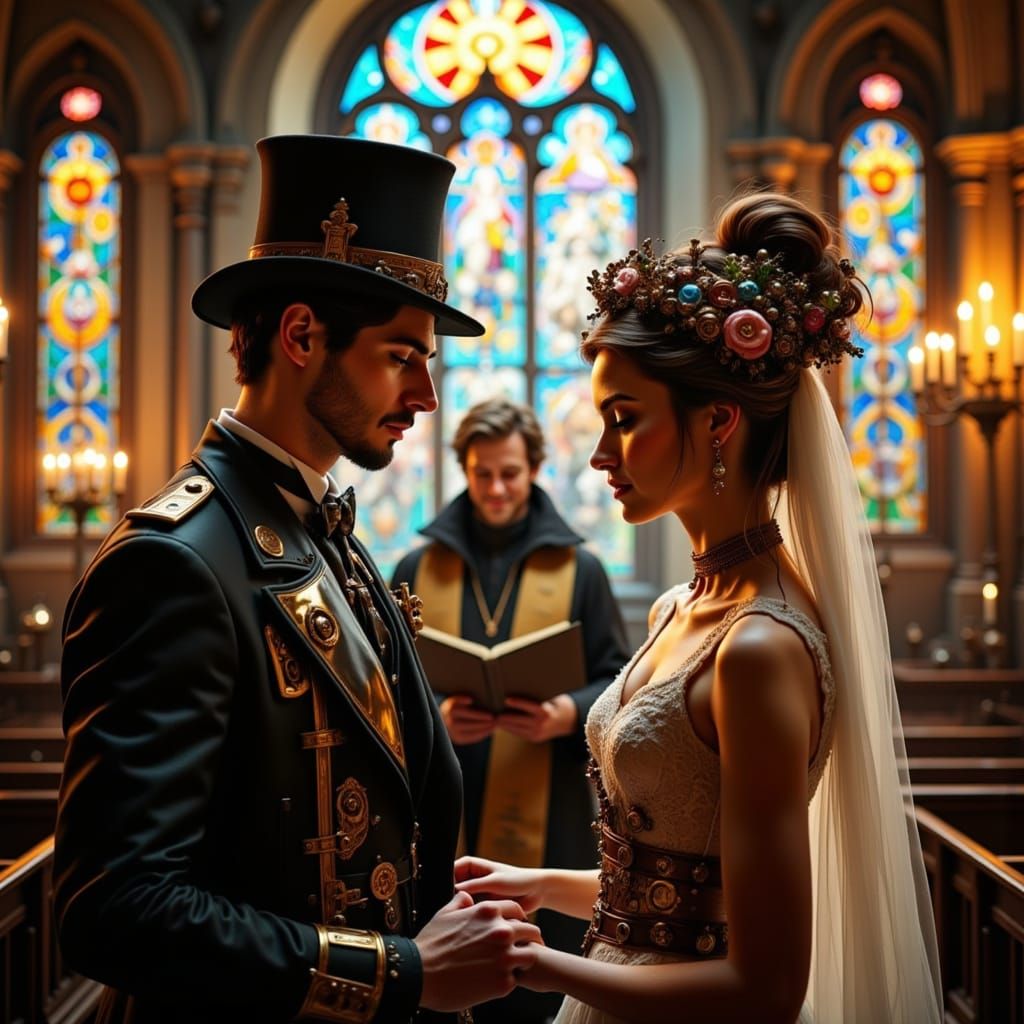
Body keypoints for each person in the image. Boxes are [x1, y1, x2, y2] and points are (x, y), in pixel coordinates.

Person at [53, 134, 542, 1024]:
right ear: (302, 335)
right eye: (403, 356)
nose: (428, 396)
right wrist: (402, 973)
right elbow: (111, 911)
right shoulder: (171, 564)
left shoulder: (326, 530)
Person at [455, 193, 944, 1022]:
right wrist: (535, 884)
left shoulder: (759, 648)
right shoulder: (682, 607)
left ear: (719, 421)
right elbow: (679, 886)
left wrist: (551, 970)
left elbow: (764, 989)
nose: (603, 454)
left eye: (624, 420)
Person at [391, 397, 630, 1023]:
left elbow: (619, 682)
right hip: (444, 797)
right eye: (482, 474)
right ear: (463, 471)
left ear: (535, 470)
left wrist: (564, 713)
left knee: (535, 982)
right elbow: (385, 687)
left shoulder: (582, 570)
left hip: (549, 802)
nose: (496, 488)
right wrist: (435, 715)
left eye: (511, 473)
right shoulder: (416, 568)